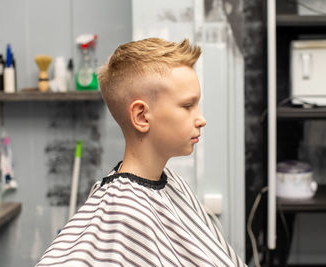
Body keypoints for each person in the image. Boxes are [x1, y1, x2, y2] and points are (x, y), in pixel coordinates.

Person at [37, 38, 246, 267]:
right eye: (187, 106)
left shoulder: (171, 183)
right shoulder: (123, 212)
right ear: (141, 116)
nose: (201, 119)